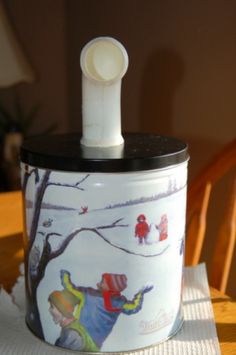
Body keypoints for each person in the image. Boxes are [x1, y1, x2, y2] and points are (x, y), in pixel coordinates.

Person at [48, 270, 153, 351]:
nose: (98, 284)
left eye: (102, 282)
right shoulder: (120, 302)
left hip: (79, 334)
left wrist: (65, 275)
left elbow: (70, 288)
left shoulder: (89, 294)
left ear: (111, 286)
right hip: (95, 346)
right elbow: (134, 307)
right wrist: (141, 293)